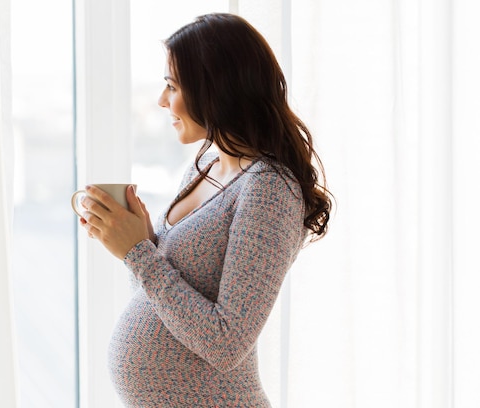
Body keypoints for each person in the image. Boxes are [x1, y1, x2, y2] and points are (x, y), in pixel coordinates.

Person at [77, 13, 333, 407]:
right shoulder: (207, 165)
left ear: (215, 88)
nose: (163, 101)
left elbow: (227, 343)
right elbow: (161, 300)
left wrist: (140, 254)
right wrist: (141, 241)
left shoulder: (269, 188)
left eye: (172, 86)